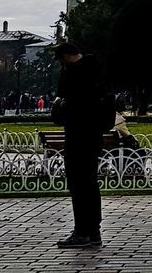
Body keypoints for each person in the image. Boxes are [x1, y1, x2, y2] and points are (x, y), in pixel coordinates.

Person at [54, 41, 114, 249]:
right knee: (89, 183)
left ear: (67, 56)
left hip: (79, 134)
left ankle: (82, 231)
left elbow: (68, 100)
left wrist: (61, 105)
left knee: (78, 184)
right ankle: (93, 230)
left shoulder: (76, 74)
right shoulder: (97, 70)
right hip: (92, 135)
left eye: (61, 60)